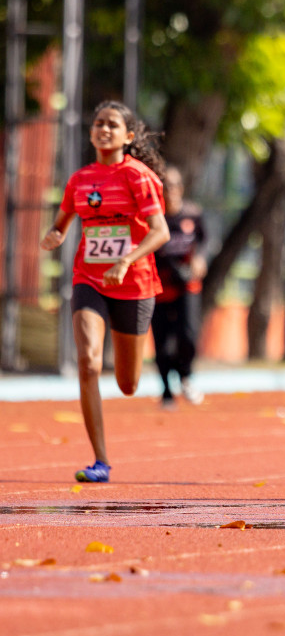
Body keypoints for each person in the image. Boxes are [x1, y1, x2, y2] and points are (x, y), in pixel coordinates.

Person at [40, 101, 170, 483]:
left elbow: (160, 231)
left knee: (127, 384)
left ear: (128, 136)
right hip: (90, 279)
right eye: (98, 123)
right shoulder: (80, 180)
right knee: (89, 362)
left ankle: (127, 379)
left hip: (134, 283)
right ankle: (100, 460)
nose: (103, 129)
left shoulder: (138, 177)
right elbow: (62, 222)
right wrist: (55, 235)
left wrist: (125, 260)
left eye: (113, 124)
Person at [150, 165, 207, 408]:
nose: (170, 191)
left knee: (188, 335)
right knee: (162, 342)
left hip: (188, 287)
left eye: (174, 185)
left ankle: (185, 374)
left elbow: (204, 240)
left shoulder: (193, 214)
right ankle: (166, 390)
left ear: (181, 188)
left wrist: (199, 259)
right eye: (165, 187)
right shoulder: (154, 218)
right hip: (159, 287)